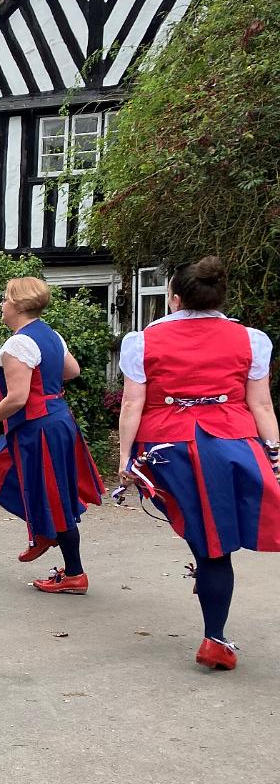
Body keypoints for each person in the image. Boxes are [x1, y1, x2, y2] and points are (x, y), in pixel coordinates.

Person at [117, 256, 280, 671]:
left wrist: (125, 460)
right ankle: (214, 637)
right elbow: (260, 403)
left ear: (174, 298)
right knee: (214, 545)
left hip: (165, 449)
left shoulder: (143, 340)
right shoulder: (250, 339)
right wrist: (274, 454)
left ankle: (211, 610)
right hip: (230, 444)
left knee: (206, 540)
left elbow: (133, 404)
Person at [0, 277, 103, 594]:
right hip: (57, 421)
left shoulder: (18, 343)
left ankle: (66, 560)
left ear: (16, 305)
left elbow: (17, 398)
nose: (1, 305)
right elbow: (72, 371)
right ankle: (49, 535)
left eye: (4, 299)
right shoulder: (50, 335)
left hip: (37, 427)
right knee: (52, 492)